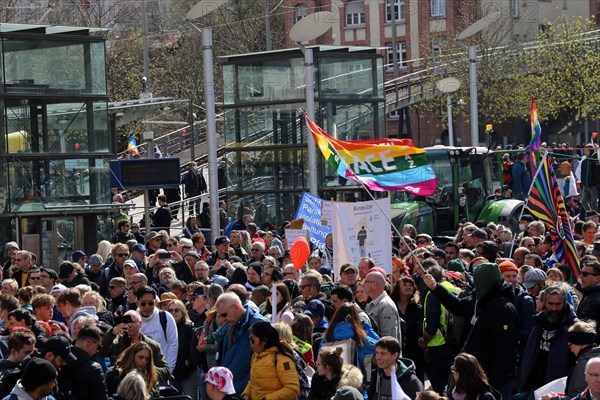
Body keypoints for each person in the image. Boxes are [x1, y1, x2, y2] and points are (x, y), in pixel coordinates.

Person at [423, 262, 519, 399]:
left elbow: (506, 353)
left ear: (484, 281)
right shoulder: (479, 300)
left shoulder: (503, 309)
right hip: (474, 375)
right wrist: (435, 288)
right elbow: (458, 306)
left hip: (490, 380)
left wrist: (492, 385)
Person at [521, 284, 579, 395]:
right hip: (535, 384)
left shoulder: (574, 326)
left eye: (558, 304)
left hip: (559, 387)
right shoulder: (539, 320)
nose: (554, 308)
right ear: (544, 303)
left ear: (565, 303)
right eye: (550, 304)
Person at [214, 293, 267, 393]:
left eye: (225, 314)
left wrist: (247, 390)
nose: (224, 319)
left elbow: (263, 361)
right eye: (221, 315)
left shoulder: (259, 324)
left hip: (246, 391)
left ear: (235, 307)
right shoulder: (231, 326)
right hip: (230, 389)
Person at [241, 321, 300, 400]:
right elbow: (254, 380)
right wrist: (246, 394)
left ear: (264, 340)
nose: (250, 343)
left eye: (253, 339)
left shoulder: (282, 359)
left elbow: (292, 388)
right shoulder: (256, 356)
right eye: (249, 338)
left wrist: (267, 398)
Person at [135, 286, 179, 372]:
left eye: (150, 303)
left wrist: (168, 370)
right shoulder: (133, 319)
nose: (147, 307)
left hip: (161, 371)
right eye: (143, 303)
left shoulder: (166, 317)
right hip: (138, 372)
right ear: (137, 303)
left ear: (155, 302)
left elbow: (173, 344)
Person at [59, 325, 108, 400]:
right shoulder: (94, 369)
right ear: (89, 343)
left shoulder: (60, 359)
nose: (97, 351)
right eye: (99, 347)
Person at [166, 299, 198, 398]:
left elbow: (194, 348)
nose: (173, 313)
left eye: (176, 310)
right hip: (171, 371)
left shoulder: (189, 326)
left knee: (190, 397)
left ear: (183, 311)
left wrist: (187, 362)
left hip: (188, 371)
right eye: (170, 311)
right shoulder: (166, 326)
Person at [364, 271, 402, 344]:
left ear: (374, 284)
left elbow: (388, 338)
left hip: (385, 353)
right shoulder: (372, 304)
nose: (363, 284)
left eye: (366, 282)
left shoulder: (386, 305)